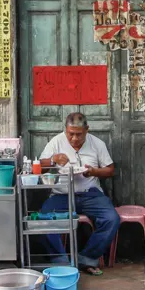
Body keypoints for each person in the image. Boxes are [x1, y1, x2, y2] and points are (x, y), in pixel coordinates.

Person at [38, 112, 120, 276]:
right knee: (42, 219)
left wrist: (93, 171)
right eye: (71, 134)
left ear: (87, 130)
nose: (74, 138)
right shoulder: (56, 142)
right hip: (61, 194)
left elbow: (110, 170)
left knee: (112, 219)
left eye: (79, 134)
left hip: (91, 194)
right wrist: (53, 160)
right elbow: (39, 167)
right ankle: (61, 262)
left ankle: (87, 258)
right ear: (65, 130)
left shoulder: (97, 143)